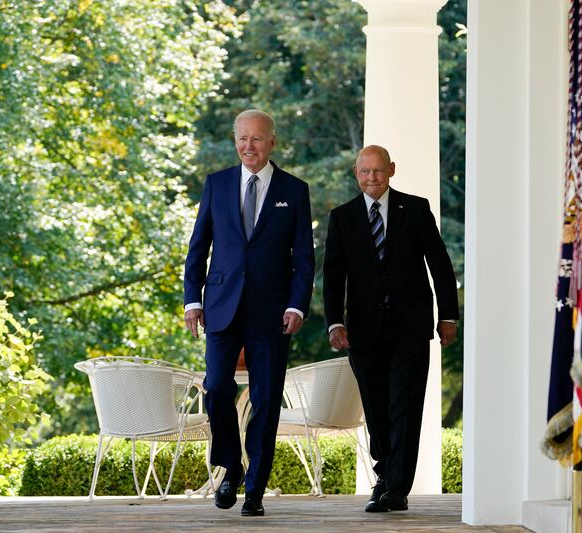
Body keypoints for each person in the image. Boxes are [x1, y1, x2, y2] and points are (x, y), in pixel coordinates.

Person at [183, 109, 314, 516]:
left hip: (272, 313)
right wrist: (193, 299)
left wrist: (297, 303)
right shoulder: (217, 184)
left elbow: (304, 258)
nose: (248, 146)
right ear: (234, 139)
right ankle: (231, 469)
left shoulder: (294, 190)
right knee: (218, 388)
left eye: (257, 139)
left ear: (272, 142)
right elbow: (198, 246)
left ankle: (255, 487)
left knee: (266, 398)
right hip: (221, 308)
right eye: (242, 138)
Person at [323, 145, 458, 513]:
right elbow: (333, 276)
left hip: (410, 328)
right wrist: (335, 321)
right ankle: (384, 474)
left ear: (391, 170)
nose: (372, 178)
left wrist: (448, 315)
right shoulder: (343, 217)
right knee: (376, 407)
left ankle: (396, 487)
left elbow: (440, 264)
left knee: (405, 405)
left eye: (378, 171)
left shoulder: (415, 209)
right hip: (363, 332)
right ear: (356, 173)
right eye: (365, 172)